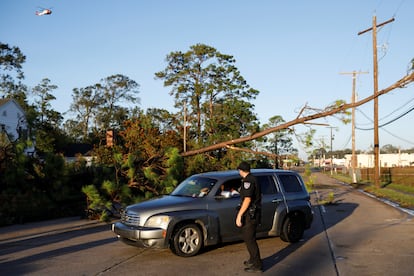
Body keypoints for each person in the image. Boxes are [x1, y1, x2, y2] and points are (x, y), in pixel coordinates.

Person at [235, 161, 262, 273]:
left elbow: (247, 199)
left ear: (241, 170)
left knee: (250, 239)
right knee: (248, 238)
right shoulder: (251, 179)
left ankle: (257, 264)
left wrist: (239, 215)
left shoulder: (248, 181)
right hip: (253, 213)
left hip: (251, 215)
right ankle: (252, 259)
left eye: (239, 170)